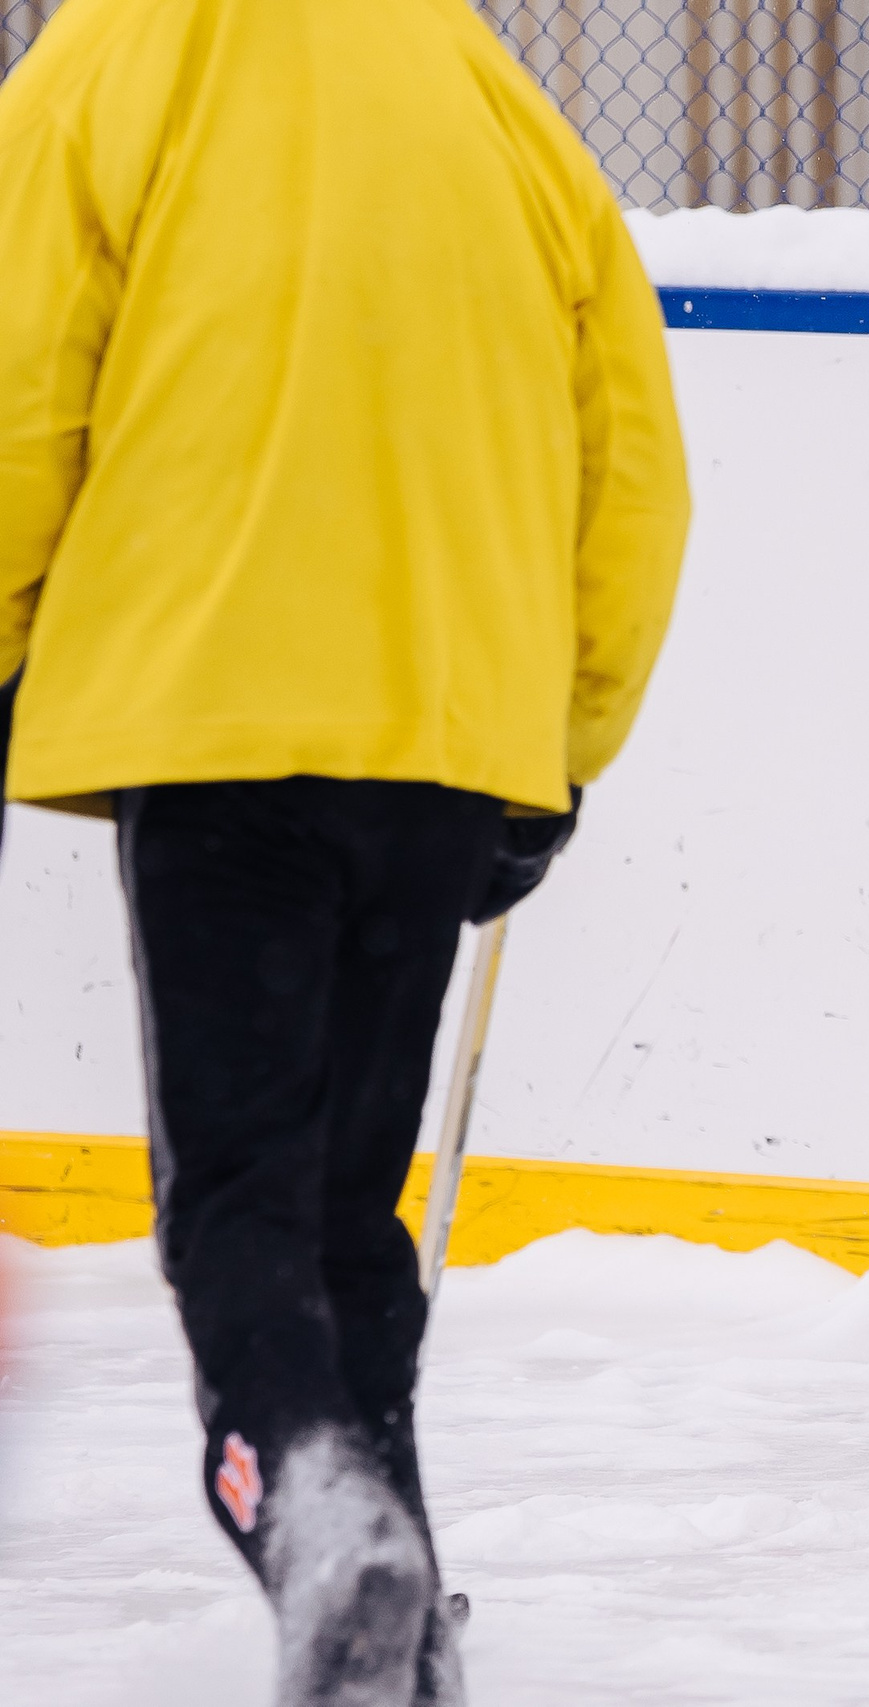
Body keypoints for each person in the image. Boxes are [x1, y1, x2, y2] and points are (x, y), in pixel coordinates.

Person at [0, 2, 690, 1700]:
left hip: (216, 718)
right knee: (344, 1210)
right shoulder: (498, 102)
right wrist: (558, 749)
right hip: (441, 742)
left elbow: (19, 386)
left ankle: (316, 1509)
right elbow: (632, 470)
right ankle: (397, 1602)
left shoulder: (110, 61)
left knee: (240, 1200)